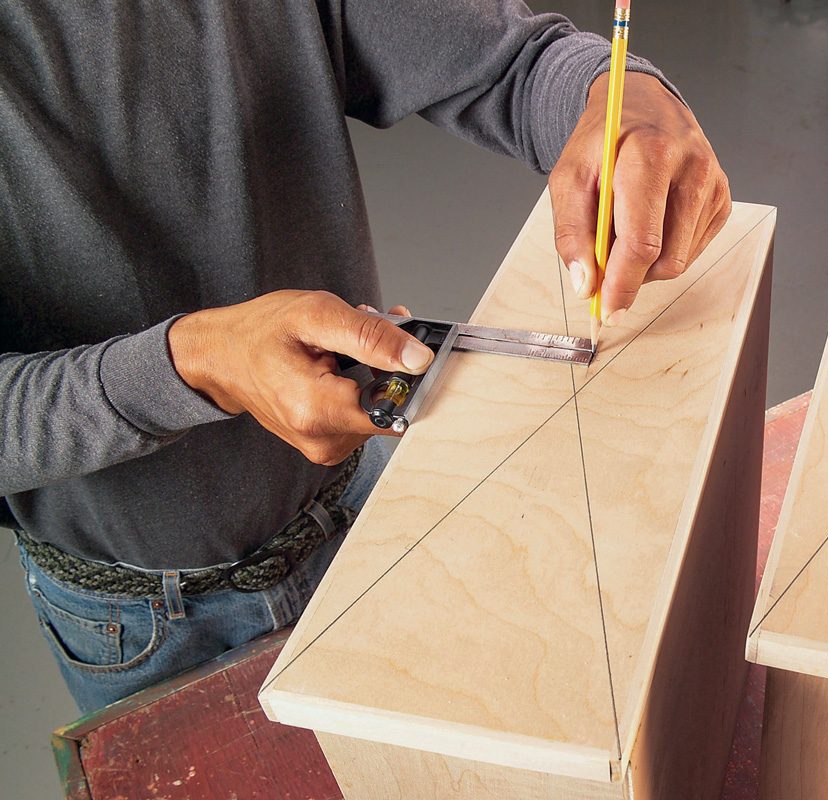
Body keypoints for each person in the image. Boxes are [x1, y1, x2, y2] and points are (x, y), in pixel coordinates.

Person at [0, 1, 731, 714]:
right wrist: (189, 367)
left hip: (363, 498)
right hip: (139, 616)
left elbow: (511, 61)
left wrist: (616, 94)